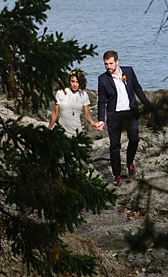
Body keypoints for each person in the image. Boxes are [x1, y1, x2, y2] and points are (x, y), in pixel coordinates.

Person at [94, 50, 150, 186]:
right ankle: (117, 175)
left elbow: (137, 89)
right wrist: (101, 119)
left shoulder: (128, 71)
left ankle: (130, 162)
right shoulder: (102, 79)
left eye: (111, 63)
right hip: (115, 115)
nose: (108, 66)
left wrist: (148, 106)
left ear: (117, 62)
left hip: (130, 113)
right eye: (106, 64)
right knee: (115, 146)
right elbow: (102, 101)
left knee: (135, 139)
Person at [47, 69, 97, 136]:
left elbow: (86, 114)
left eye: (77, 82)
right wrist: (49, 129)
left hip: (77, 131)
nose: (75, 84)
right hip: (62, 131)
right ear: (69, 81)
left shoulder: (83, 94)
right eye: (72, 81)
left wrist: (92, 123)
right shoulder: (61, 93)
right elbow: (55, 113)